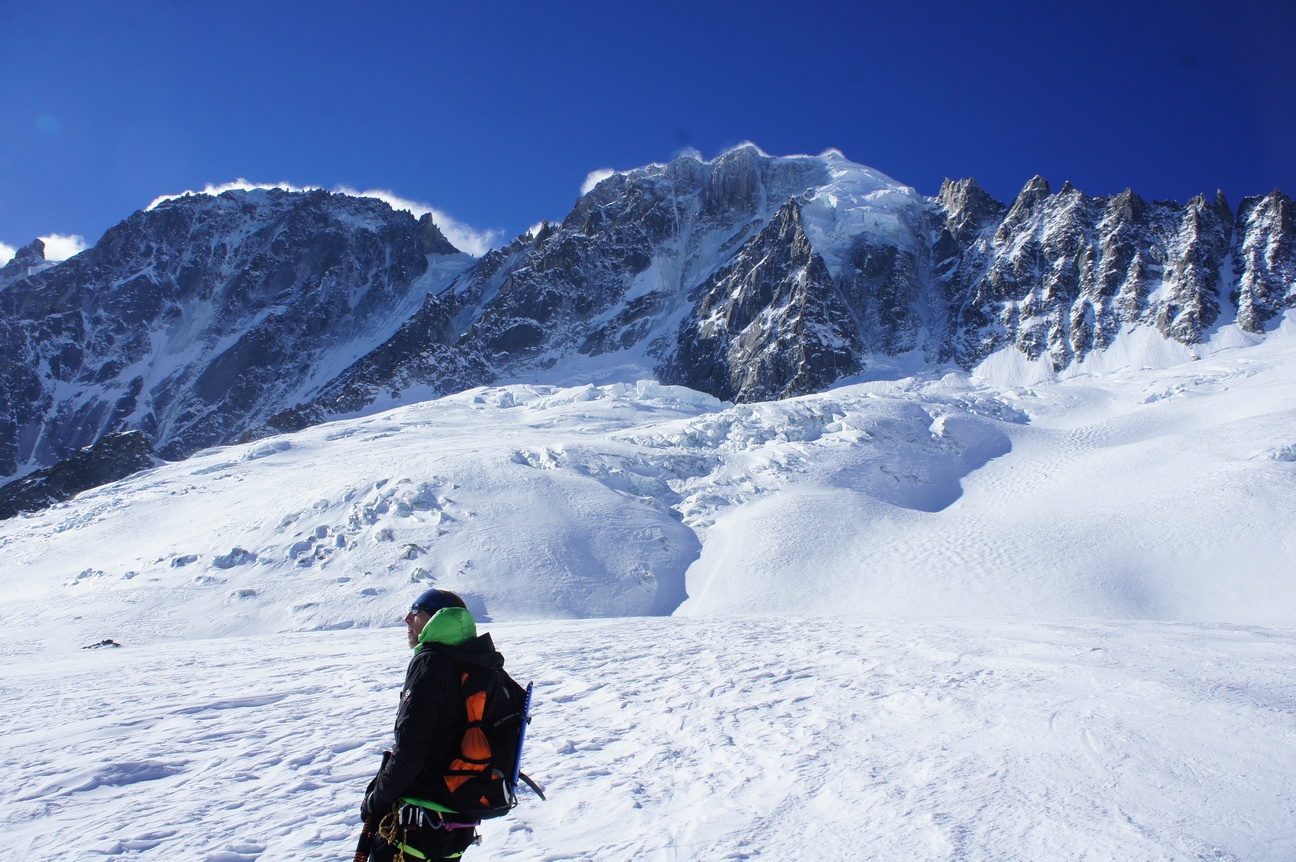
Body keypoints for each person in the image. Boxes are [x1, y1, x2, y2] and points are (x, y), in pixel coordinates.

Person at [360, 588, 507, 862]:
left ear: (438, 618)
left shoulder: (430, 662)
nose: (407, 618)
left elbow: (411, 751)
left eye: (416, 611)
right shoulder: (480, 664)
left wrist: (375, 800)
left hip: (415, 827)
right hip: (458, 823)